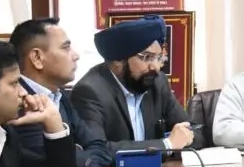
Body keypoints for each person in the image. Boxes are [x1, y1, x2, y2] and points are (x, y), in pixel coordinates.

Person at [72, 15, 193, 154]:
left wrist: (184, 137)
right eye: (147, 57)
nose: (155, 67)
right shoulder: (89, 92)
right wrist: (166, 145)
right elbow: (96, 150)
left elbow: (192, 129)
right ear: (118, 60)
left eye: (158, 57)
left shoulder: (157, 82)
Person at [9, 18, 113, 167]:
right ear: (37, 58)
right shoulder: (20, 102)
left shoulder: (59, 95)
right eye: (66, 48)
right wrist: (78, 152)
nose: (76, 56)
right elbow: (48, 166)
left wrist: (76, 155)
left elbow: (101, 149)